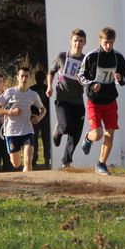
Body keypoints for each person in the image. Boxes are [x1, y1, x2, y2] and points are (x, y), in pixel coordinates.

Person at [78, 27, 125, 175]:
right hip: (94, 101)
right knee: (98, 134)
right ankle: (88, 138)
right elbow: (80, 76)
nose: (108, 46)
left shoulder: (119, 57)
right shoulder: (91, 57)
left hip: (111, 101)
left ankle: (101, 164)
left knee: (110, 134)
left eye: (111, 43)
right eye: (106, 42)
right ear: (100, 40)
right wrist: (92, 84)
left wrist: (120, 78)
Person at [46, 28, 87, 169]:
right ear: (71, 41)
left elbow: (90, 79)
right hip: (62, 98)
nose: (78, 43)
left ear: (85, 42)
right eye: (75, 40)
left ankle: (66, 162)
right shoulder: (62, 56)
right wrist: (49, 87)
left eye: (81, 41)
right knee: (67, 126)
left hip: (78, 101)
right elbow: (51, 72)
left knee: (76, 134)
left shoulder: (86, 60)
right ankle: (58, 131)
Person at [0, 64, 46, 172]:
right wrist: (10, 112)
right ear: (17, 77)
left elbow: (43, 109)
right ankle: (19, 167)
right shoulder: (9, 92)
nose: (24, 78)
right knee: (16, 164)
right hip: (11, 131)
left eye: (26, 76)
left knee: (28, 160)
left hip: (27, 129)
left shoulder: (33, 94)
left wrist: (39, 118)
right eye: (22, 76)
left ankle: (29, 185)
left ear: (29, 77)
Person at [29, 68, 51, 167]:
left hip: (35, 117)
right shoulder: (48, 88)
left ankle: (35, 158)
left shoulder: (31, 88)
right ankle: (46, 158)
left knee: (35, 138)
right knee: (45, 139)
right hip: (43, 117)